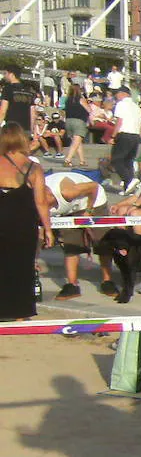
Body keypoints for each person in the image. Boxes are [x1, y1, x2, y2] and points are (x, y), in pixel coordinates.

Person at [0, 123, 53, 319]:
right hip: (23, 222)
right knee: (23, 266)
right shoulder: (33, 167)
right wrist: (48, 229)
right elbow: (41, 202)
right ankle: (20, 312)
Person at [45, 170, 109, 299]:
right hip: (69, 210)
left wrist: (89, 210)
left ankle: (107, 281)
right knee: (71, 245)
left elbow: (94, 186)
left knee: (103, 242)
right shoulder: (36, 201)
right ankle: (72, 285)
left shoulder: (67, 191)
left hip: (94, 200)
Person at [109, 86, 141, 188]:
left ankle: (129, 179)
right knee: (128, 160)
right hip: (135, 135)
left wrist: (113, 136)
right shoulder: (136, 106)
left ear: (123, 93)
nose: (116, 96)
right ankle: (128, 187)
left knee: (117, 160)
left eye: (117, 93)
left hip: (124, 134)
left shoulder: (121, 104)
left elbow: (119, 121)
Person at [62, 80, 90, 166]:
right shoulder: (81, 99)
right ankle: (68, 160)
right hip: (79, 121)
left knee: (77, 142)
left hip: (69, 121)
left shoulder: (67, 100)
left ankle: (82, 161)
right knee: (76, 143)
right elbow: (89, 110)